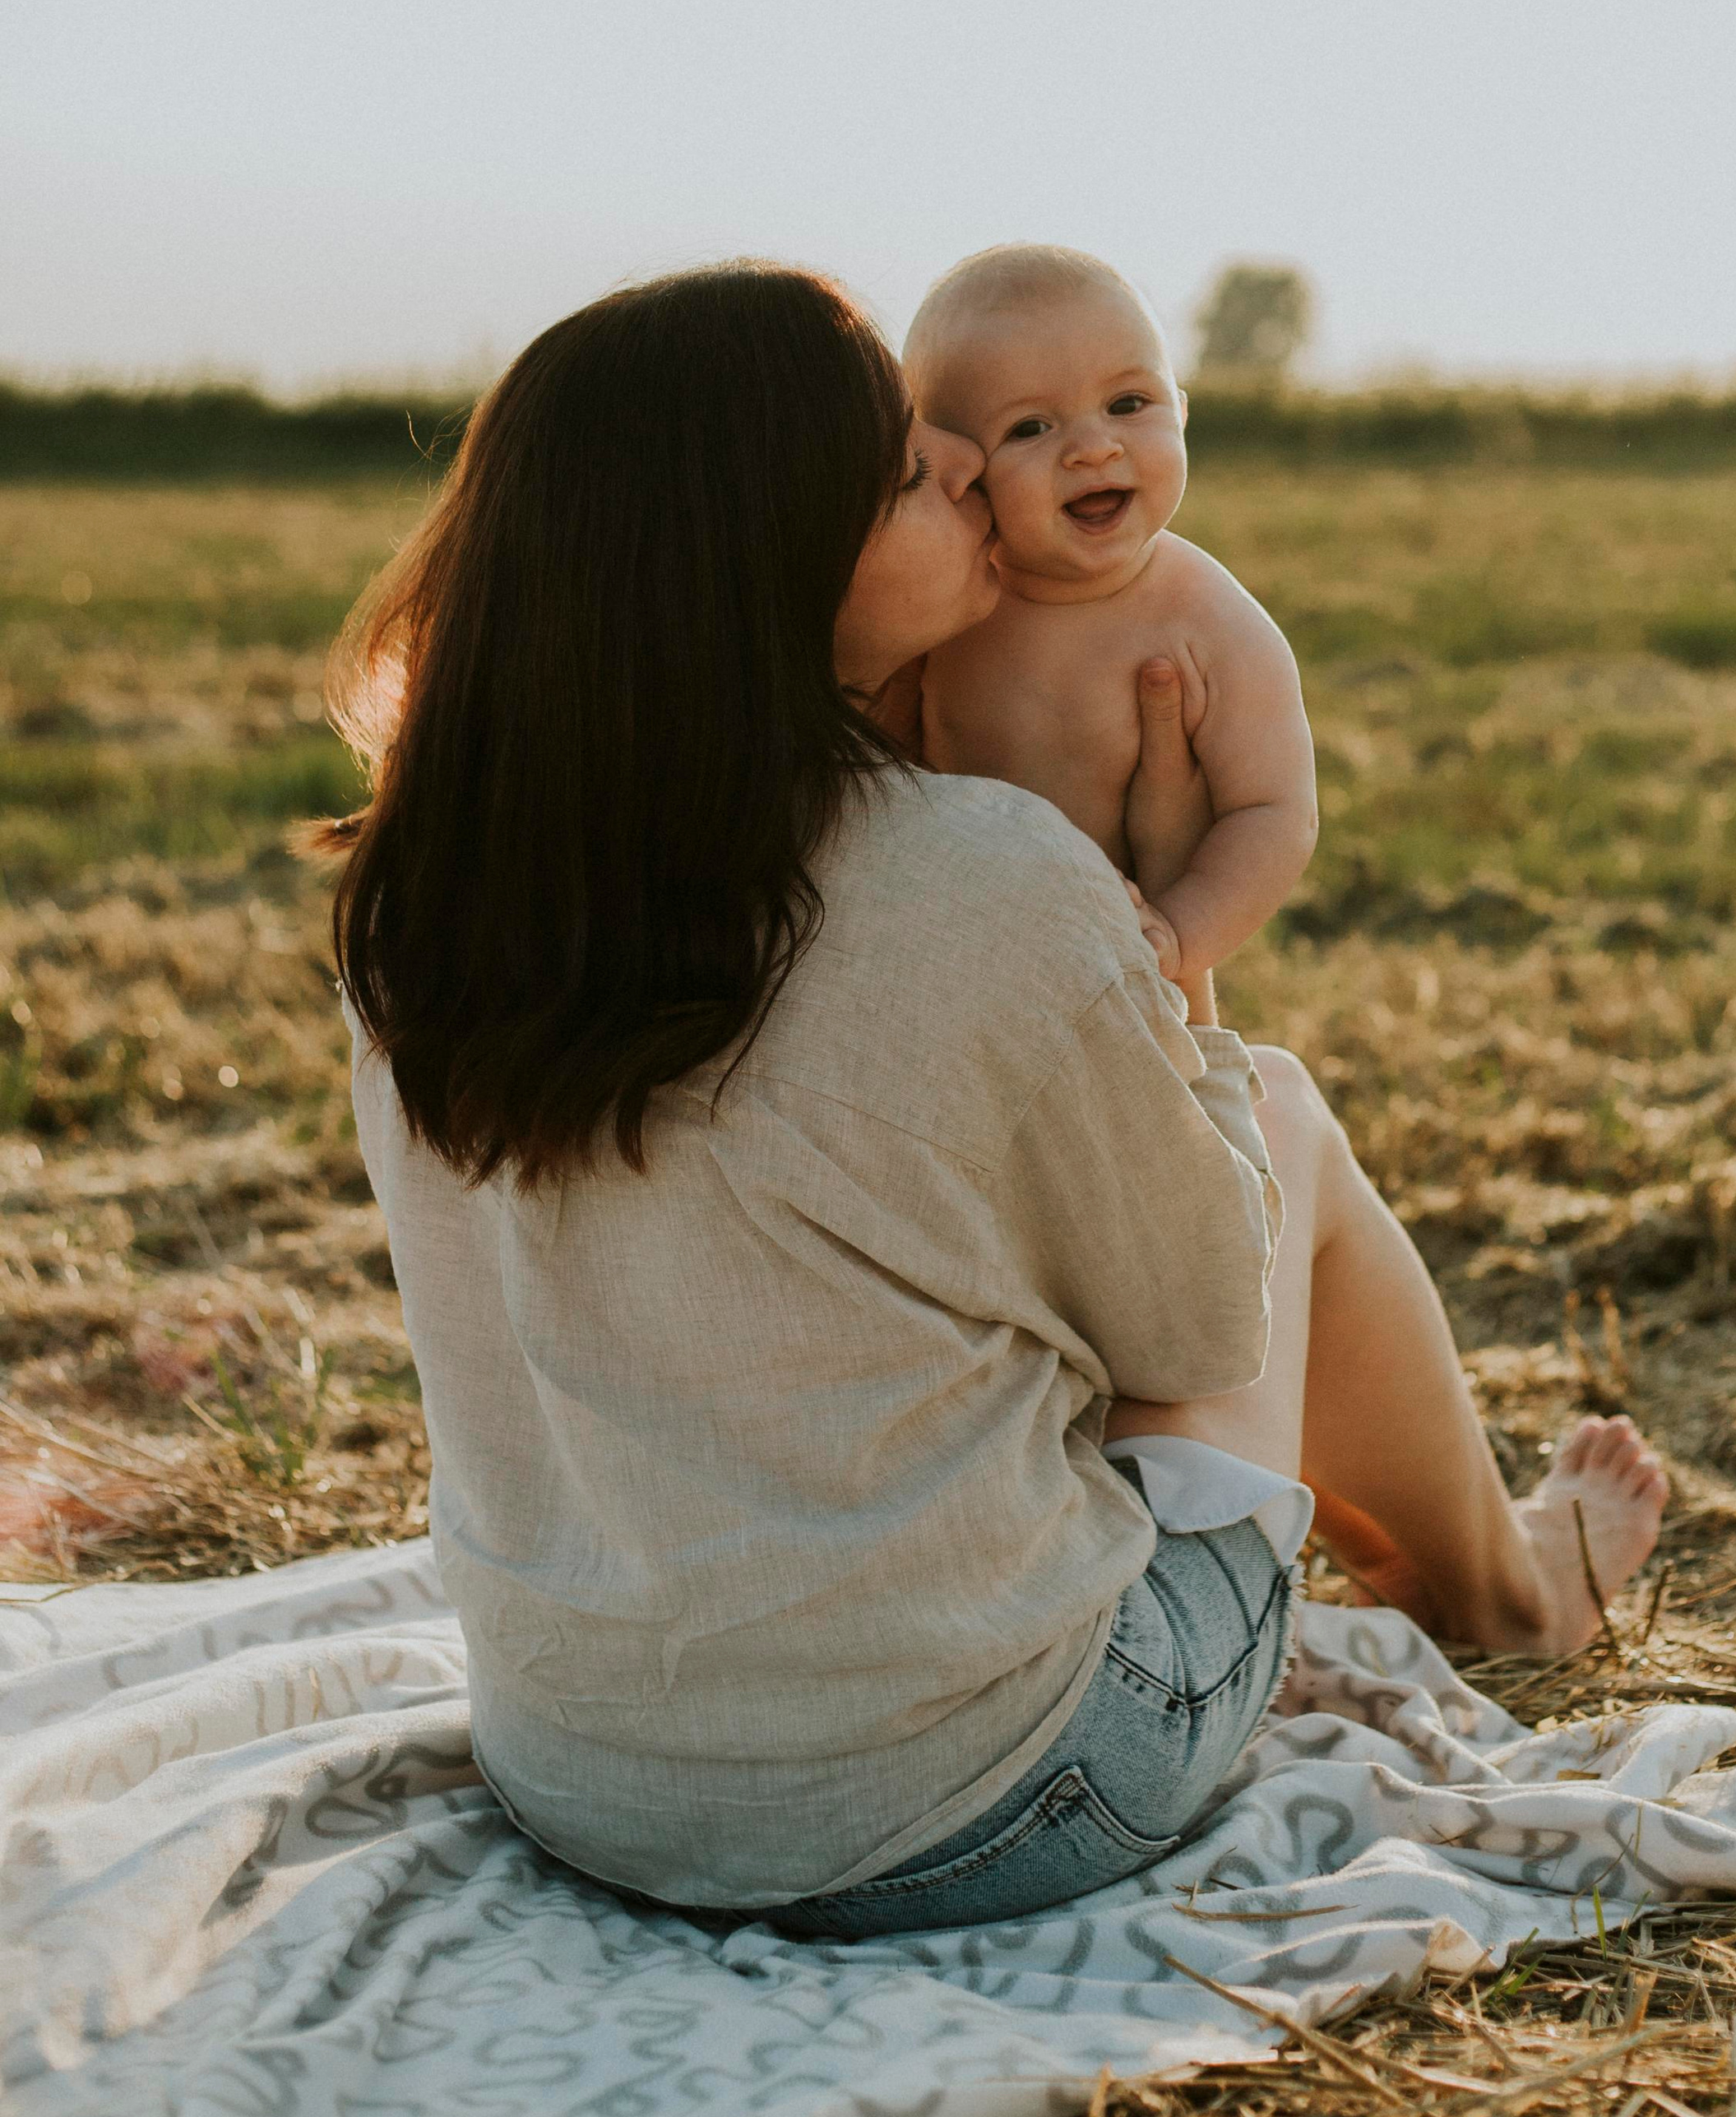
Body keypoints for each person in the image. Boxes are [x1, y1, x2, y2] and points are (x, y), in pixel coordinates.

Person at [322, 265, 1666, 1940]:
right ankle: (1512, 1594)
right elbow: (1203, 1327)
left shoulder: (429, 898)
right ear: (773, 559)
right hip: (991, 1802)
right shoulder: (973, 876)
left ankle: (1475, 1565)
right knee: (1274, 1113)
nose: (971, 467)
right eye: (907, 468)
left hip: (586, 1782)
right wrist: (1165, 946)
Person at [906, 243, 1319, 994]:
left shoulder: (1211, 620)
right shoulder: (945, 609)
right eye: (1030, 428)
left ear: (1181, 411)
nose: (1094, 449)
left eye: (1128, 405)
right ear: (960, 469)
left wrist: (1180, 932)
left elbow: (1274, 812)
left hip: (1136, 969)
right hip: (955, 957)